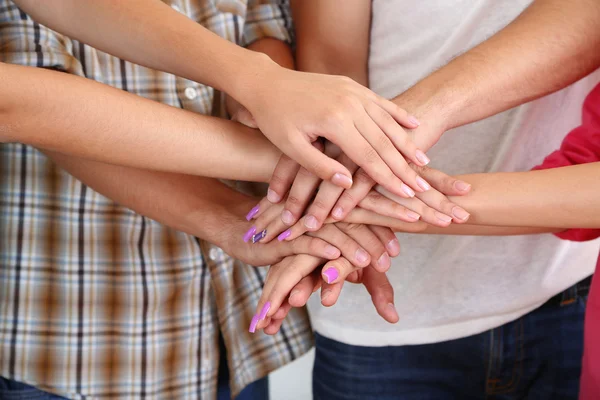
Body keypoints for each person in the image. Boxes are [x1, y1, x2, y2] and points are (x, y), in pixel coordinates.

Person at [244, 0, 600, 398]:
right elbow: (330, 67)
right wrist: (343, 180)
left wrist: (366, 196)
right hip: (382, 299)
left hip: (562, 287)